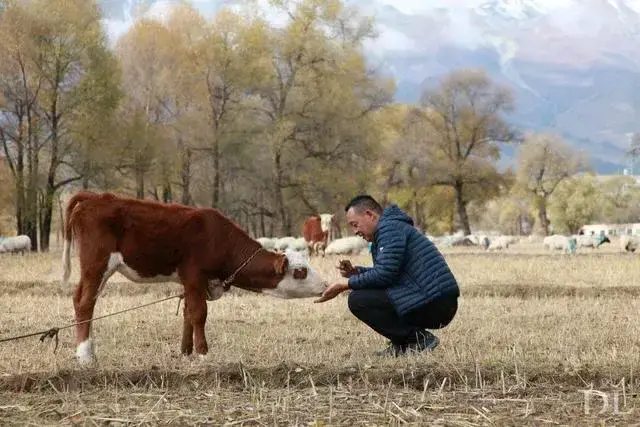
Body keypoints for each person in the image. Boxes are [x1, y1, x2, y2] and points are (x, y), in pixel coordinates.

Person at [315, 195, 460, 357]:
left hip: (435, 302)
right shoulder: (390, 229)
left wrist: (344, 285)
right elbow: (389, 273)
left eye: (355, 225)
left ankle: (417, 340)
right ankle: (403, 343)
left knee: (358, 300)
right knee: (365, 296)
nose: (355, 232)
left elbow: (385, 275)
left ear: (370, 215)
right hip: (432, 298)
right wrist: (356, 273)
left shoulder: (390, 229)